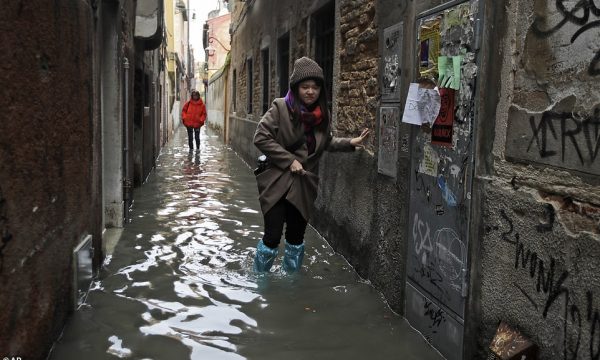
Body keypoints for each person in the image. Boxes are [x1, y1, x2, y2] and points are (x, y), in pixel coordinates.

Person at [253, 56, 370, 273]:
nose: (310, 91)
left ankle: (291, 283)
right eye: (305, 87)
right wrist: (289, 161)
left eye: (315, 87)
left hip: (304, 185)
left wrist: (350, 143)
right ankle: (259, 280)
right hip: (276, 182)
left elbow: (325, 142)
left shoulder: (322, 115)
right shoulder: (280, 108)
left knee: (296, 238)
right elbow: (260, 137)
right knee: (271, 237)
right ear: (296, 88)